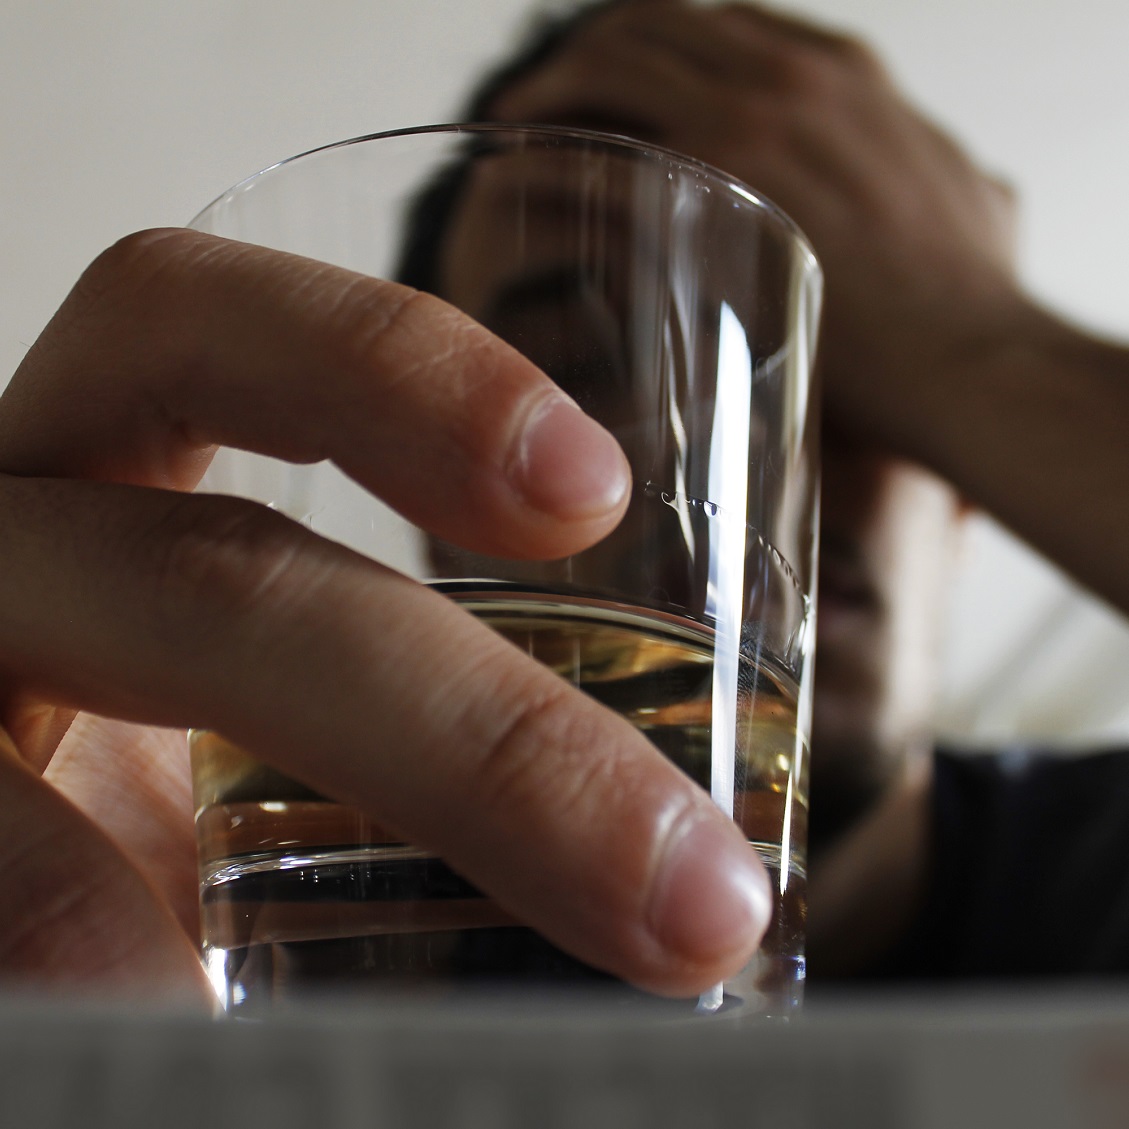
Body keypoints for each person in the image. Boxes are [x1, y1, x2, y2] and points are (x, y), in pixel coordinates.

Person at [2, 0, 1127, 1004]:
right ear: (438, 510)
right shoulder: (306, 932)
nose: (713, 480)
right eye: (578, 369)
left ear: (967, 497)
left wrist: (983, 343)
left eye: (866, 374)